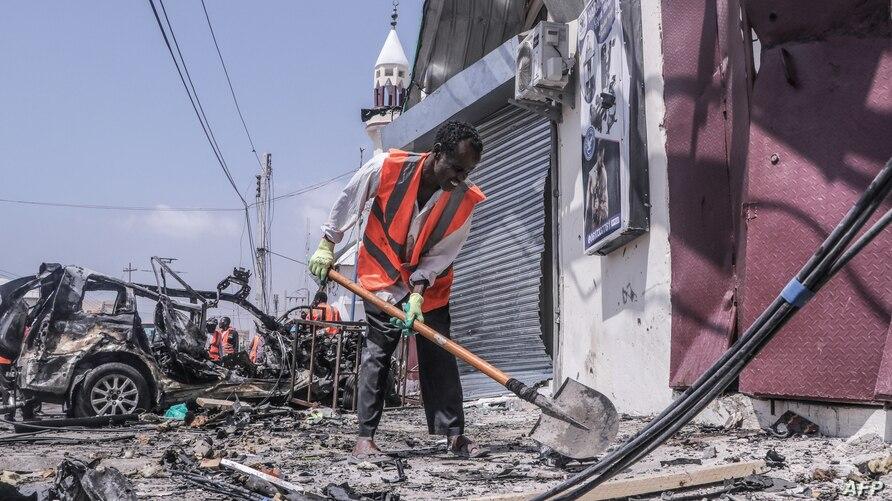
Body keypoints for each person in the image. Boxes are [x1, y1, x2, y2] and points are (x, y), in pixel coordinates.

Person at [308, 121, 489, 458]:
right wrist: (327, 244)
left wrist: (418, 293)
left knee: (439, 351)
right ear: (437, 154)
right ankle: (365, 438)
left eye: (467, 171)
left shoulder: (464, 201)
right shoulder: (388, 167)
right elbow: (350, 199)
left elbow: (442, 253)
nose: (460, 178)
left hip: (429, 287)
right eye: (456, 168)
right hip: (382, 274)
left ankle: (453, 435)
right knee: (378, 353)